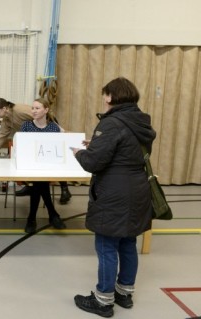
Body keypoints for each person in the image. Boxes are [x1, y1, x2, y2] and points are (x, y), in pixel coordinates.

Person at [71, 77, 156, 317]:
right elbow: (126, 151)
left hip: (114, 192)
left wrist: (81, 152)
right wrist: (96, 144)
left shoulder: (110, 124)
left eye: (104, 95)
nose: (103, 99)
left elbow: (93, 162)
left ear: (110, 97)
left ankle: (103, 300)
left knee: (107, 245)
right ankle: (124, 293)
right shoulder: (141, 121)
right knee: (128, 242)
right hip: (137, 189)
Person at [0, 98, 72, 203]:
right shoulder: (6, 121)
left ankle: (64, 189)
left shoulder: (19, 110)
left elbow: (40, 116)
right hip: (32, 140)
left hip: (47, 128)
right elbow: (1, 137)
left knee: (55, 159)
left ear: (4, 108)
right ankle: (31, 186)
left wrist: (59, 130)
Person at [21, 98, 67, 233]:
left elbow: (58, 149)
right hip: (30, 167)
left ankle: (32, 218)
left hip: (49, 167)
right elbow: (23, 148)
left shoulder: (53, 127)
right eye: (33, 108)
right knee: (41, 183)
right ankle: (53, 214)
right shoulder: (26, 126)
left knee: (39, 184)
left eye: (37, 108)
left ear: (46, 110)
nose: (34, 111)